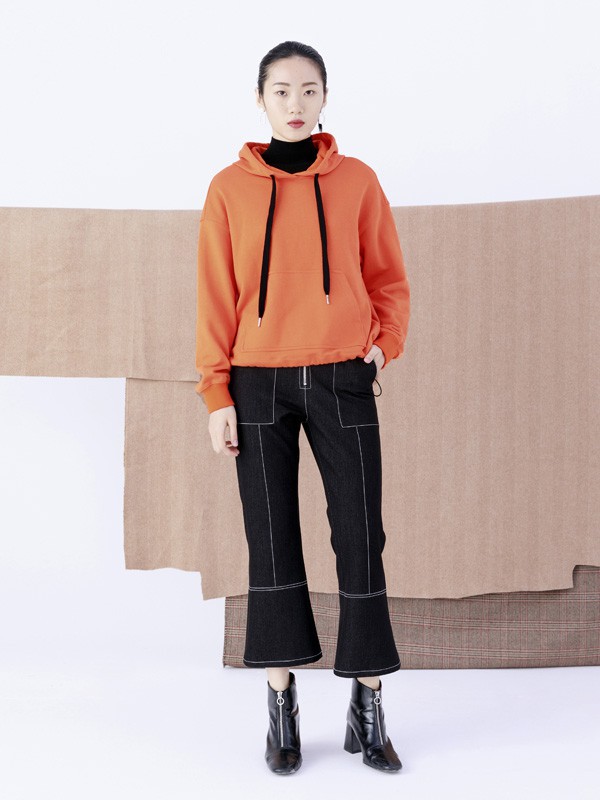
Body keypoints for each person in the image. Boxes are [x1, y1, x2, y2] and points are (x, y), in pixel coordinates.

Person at [195, 40, 410, 774]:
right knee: (271, 537)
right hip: (256, 381)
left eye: (309, 90)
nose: (295, 103)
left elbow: (387, 277)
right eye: (282, 91)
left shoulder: (358, 181)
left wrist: (381, 347)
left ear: (325, 98)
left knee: (361, 533)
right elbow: (215, 295)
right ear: (261, 99)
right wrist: (216, 392)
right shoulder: (228, 189)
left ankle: (368, 705)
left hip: (342, 375)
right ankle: (281, 706)